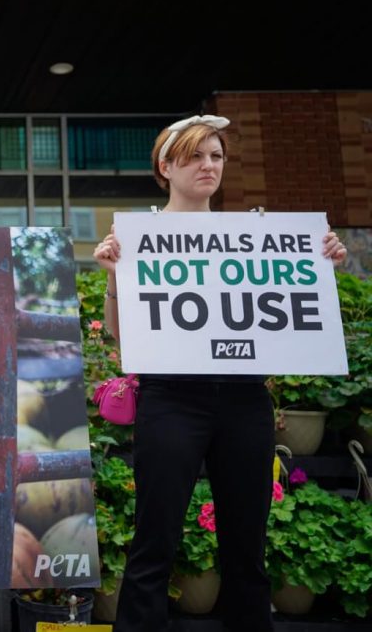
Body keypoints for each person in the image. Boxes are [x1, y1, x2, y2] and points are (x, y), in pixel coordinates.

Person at [93, 115, 347, 631]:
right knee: (154, 542)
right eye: (195, 156)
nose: (208, 165)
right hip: (170, 399)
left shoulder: (253, 234)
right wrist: (115, 278)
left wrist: (324, 268)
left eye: (216, 156)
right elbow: (121, 338)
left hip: (244, 401)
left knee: (247, 547)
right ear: (165, 166)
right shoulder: (138, 237)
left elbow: (289, 319)